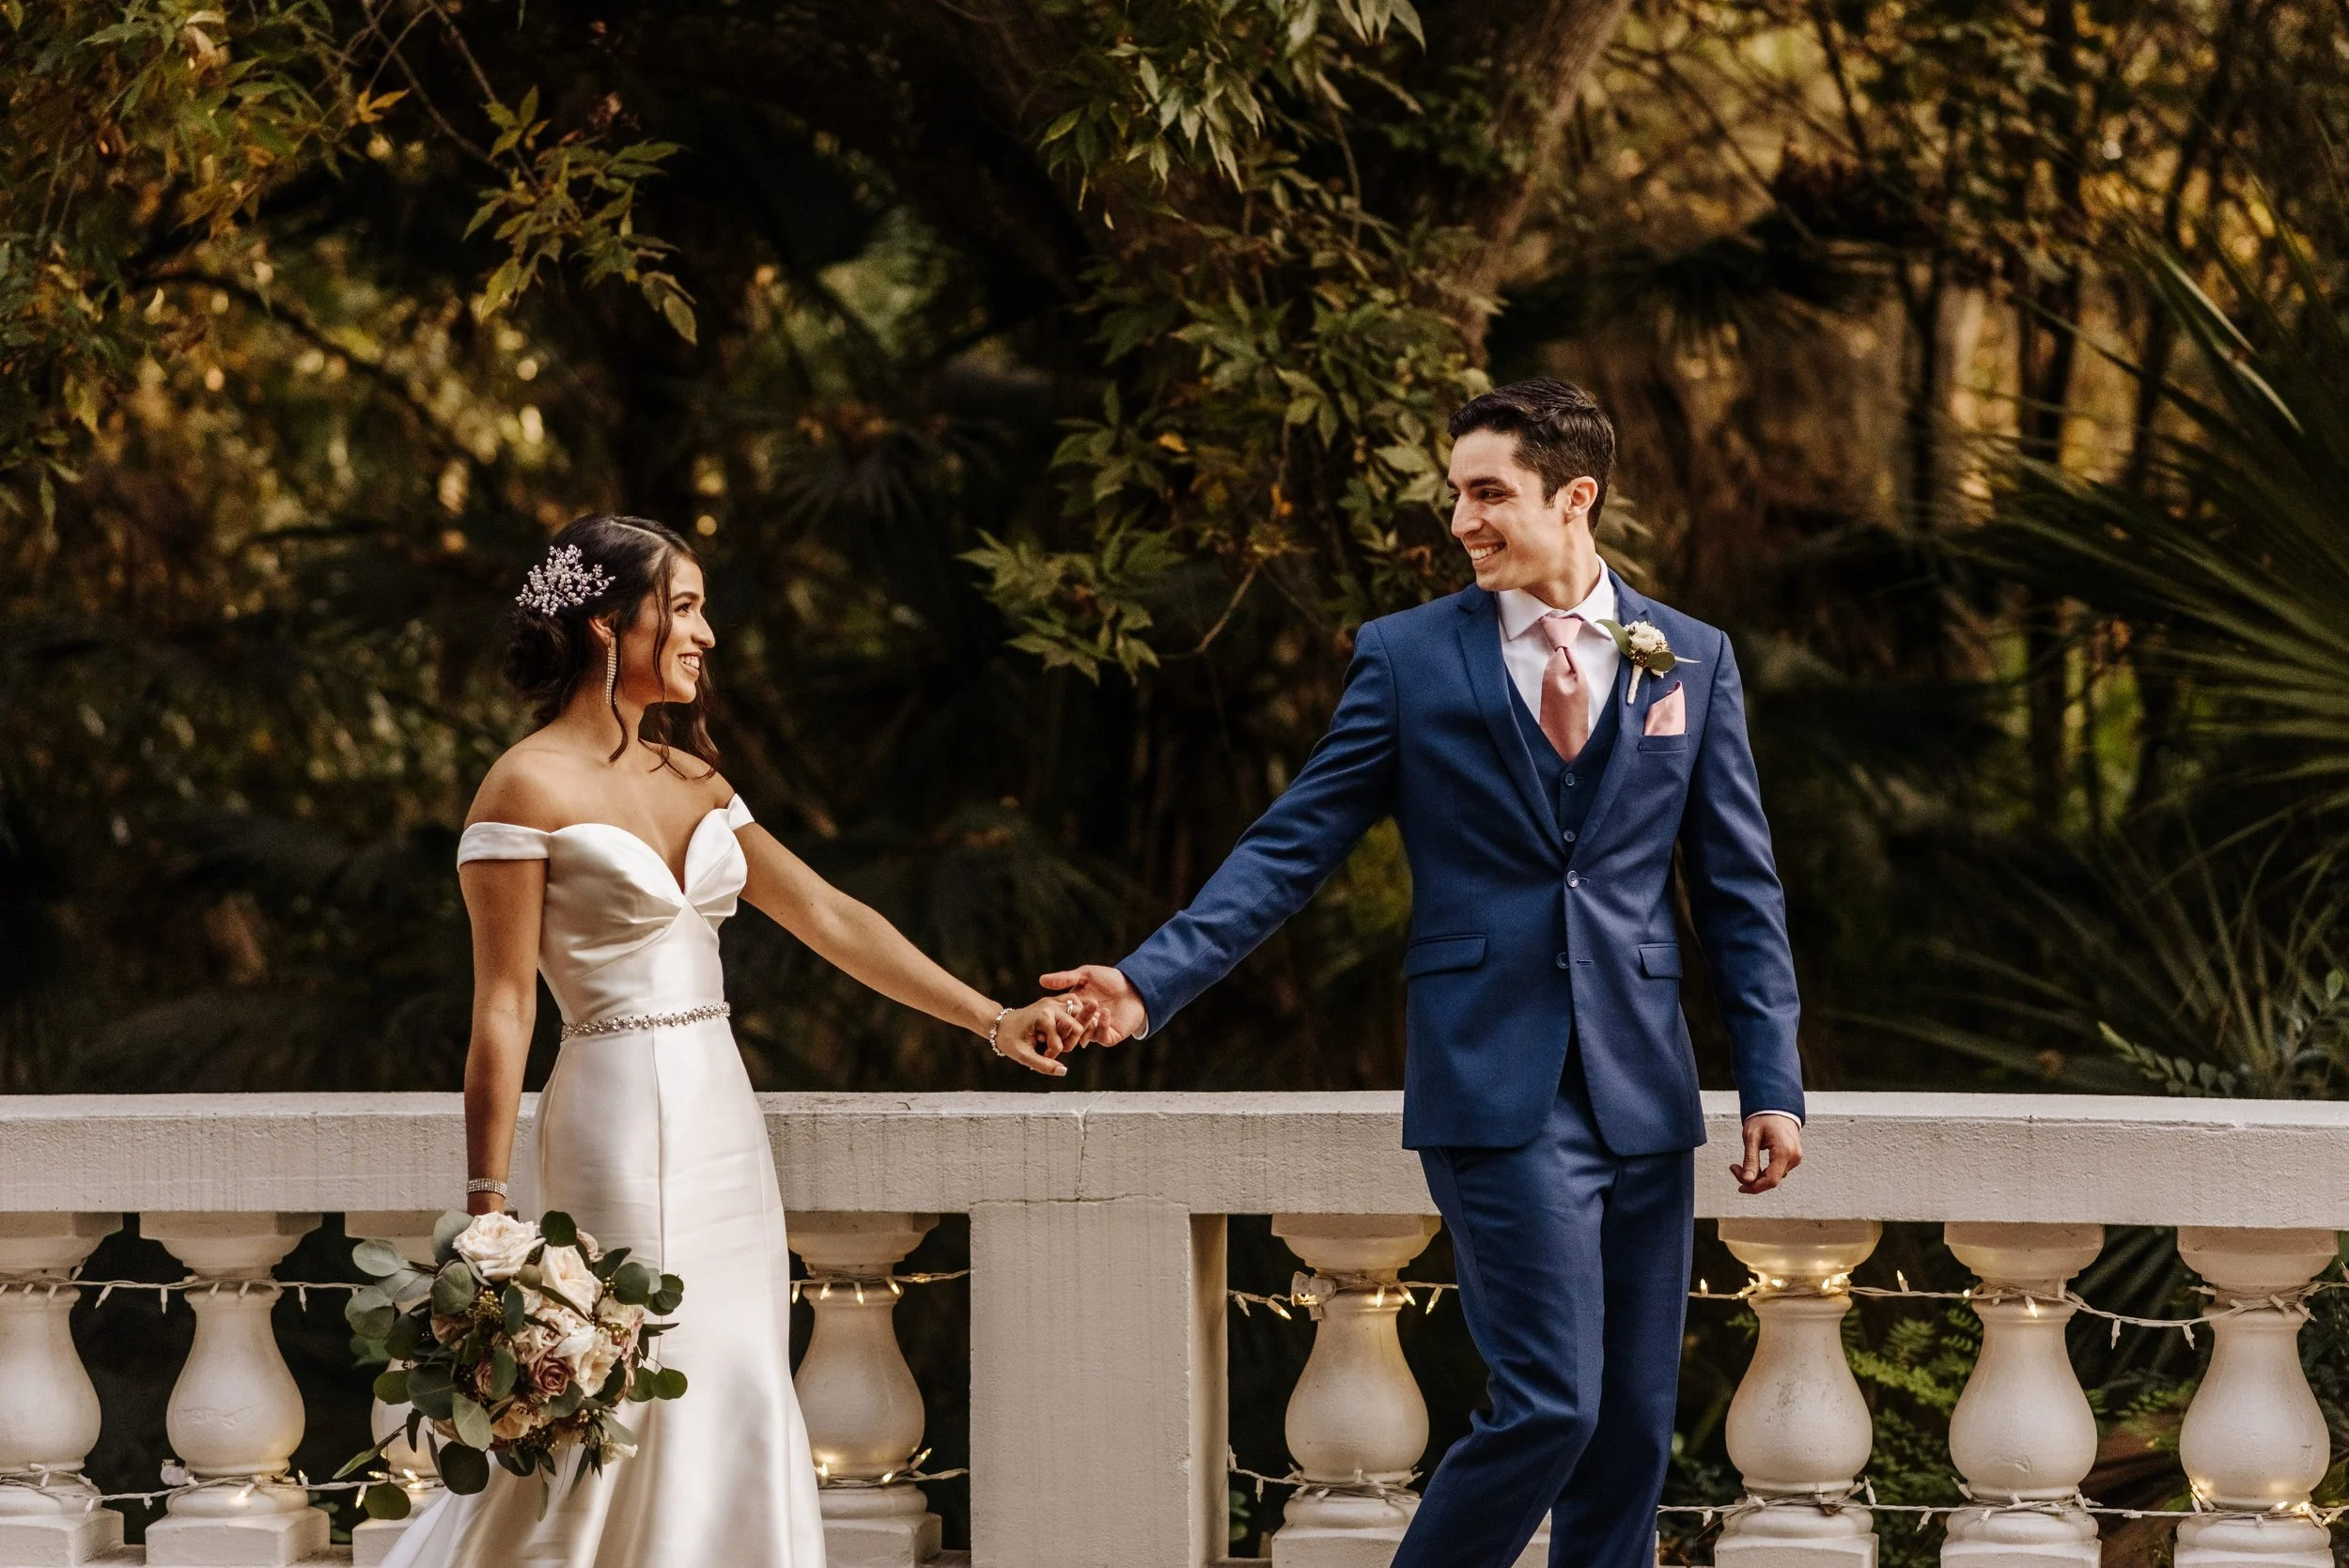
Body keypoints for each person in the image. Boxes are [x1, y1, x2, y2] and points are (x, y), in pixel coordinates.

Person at [1045, 380, 1807, 1568]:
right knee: (1551, 1402)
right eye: (1455, 494)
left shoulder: (1688, 658)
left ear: (1576, 496)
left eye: (1487, 493)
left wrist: (1771, 1081)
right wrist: (1147, 983)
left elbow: (1738, 889)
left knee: (1628, 1435)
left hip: (1643, 1088)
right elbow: (1292, 845)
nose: (1460, 520)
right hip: (1492, 1079)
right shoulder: (1406, 657)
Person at [383, 514, 1084, 1568]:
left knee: (734, 1371)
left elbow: (833, 917)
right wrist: (487, 1211)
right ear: (606, 622)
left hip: (723, 1120)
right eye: (684, 607)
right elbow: (502, 1007)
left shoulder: (697, 780)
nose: (707, 633)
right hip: (612, 1119)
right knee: (618, 1383)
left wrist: (992, 1018)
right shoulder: (523, 785)